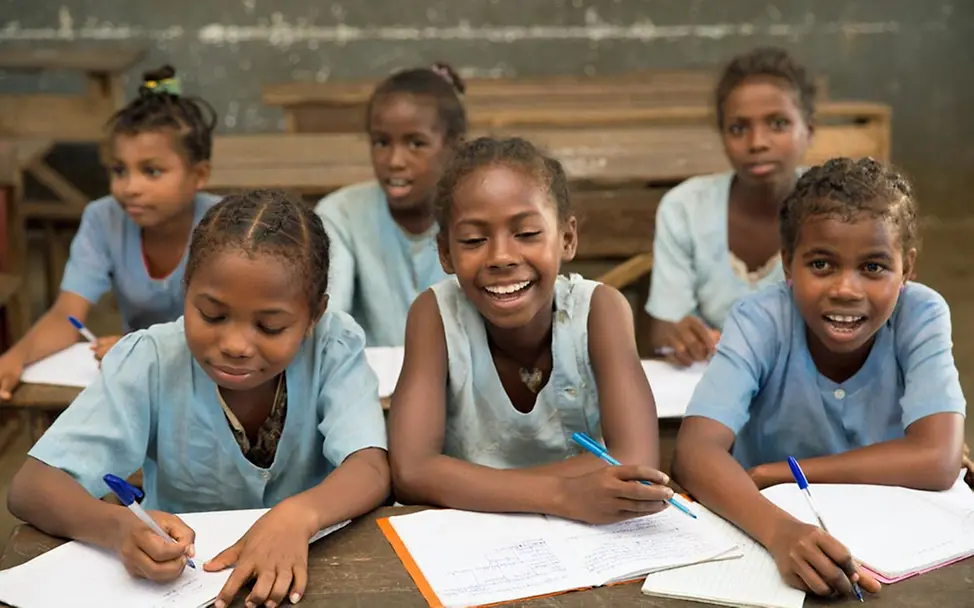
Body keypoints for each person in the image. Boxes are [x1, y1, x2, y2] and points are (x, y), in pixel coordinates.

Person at [7, 189, 390, 608]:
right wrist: (118, 528)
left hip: (318, 574)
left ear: (314, 315)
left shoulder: (333, 345)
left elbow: (369, 466)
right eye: (212, 315)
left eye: (270, 326)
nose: (236, 344)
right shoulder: (150, 360)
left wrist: (299, 515)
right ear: (186, 288)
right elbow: (32, 487)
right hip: (185, 587)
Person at [673, 157, 966, 597]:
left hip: (892, 539)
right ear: (788, 264)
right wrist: (780, 532)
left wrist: (778, 473)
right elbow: (694, 453)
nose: (845, 289)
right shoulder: (760, 319)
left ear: (907, 268)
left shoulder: (920, 314)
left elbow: (939, 459)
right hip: (768, 529)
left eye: (873, 267)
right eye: (822, 265)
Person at [389, 137, 672, 525]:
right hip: (467, 536)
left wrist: (464, 482)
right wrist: (563, 495)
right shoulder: (435, 316)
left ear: (567, 238)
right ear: (445, 252)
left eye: (526, 234)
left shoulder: (599, 311)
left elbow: (635, 461)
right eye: (473, 240)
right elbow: (411, 471)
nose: (502, 257)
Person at [0, 65, 222, 397]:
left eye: (152, 171)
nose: (129, 187)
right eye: (119, 170)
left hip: (212, 381)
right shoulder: (103, 219)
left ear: (199, 175)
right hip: (136, 384)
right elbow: (66, 315)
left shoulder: (226, 225)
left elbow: (232, 331)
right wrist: (15, 358)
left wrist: (148, 350)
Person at [645, 47, 814, 366]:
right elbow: (664, 328)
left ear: (809, 131)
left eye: (778, 124)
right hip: (712, 378)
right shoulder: (685, 209)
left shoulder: (836, 208)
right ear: (722, 136)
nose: (757, 142)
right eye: (738, 128)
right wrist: (680, 338)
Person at [315, 63, 467, 346]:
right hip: (368, 372)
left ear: (454, 146)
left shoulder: (477, 216)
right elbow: (328, 322)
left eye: (416, 144)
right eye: (382, 142)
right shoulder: (341, 214)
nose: (395, 161)